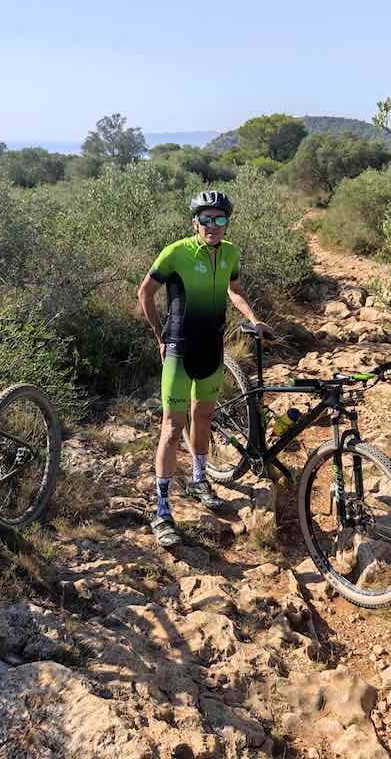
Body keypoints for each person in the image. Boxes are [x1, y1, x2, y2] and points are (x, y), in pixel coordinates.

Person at [137, 189, 271, 547]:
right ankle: (162, 510)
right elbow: (145, 292)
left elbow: (235, 289)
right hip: (179, 350)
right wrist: (158, 335)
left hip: (212, 347)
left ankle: (199, 480)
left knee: (204, 419)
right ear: (194, 222)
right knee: (170, 429)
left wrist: (254, 319)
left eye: (220, 219)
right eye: (206, 219)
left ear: (227, 223)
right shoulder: (176, 252)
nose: (213, 225)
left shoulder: (230, 253)